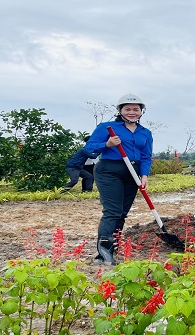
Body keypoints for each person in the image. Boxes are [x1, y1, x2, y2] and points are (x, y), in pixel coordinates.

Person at [85, 93, 153, 265]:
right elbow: (90, 147)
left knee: (122, 213)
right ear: (120, 110)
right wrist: (107, 144)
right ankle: (103, 254)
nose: (132, 112)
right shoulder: (107, 127)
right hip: (109, 171)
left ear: (141, 112)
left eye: (136, 109)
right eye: (127, 109)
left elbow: (146, 156)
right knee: (112, 212)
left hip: (133, 172)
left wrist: (144, 175)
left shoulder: (145, 133)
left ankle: (113, 246)